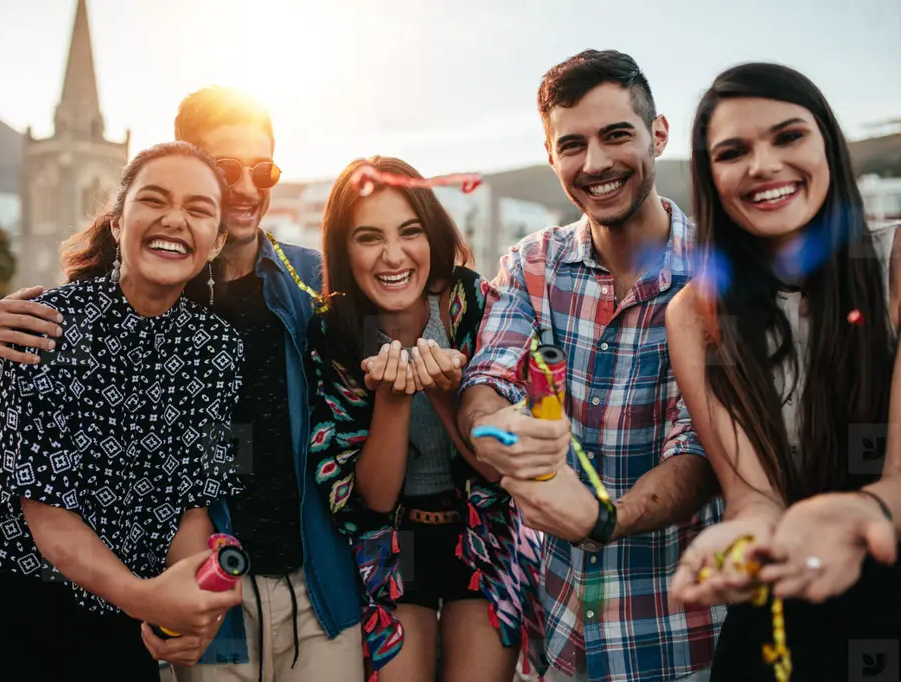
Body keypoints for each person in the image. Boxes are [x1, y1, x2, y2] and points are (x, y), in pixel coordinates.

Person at [0, 86, 364, 682]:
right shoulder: (116, 291)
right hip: (181, 582)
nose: (248, 188)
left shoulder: (315, 278)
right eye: (227, 170)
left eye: (264, 169)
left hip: (305, 577)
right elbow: (45, 451)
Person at [0, 141, 245, 682]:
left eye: (199, 209)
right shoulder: (43, 322)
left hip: (119, 620)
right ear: (118, 224)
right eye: (154, 200)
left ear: (215, 243)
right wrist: (147, 599)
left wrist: (191, 608)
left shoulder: (220, 349)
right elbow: (48, 511)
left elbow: (193, 505)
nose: (174, 219)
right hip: (0, 603)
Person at [457, 50, 723, 682]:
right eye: (572, 144)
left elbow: (706, 449)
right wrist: (502, 434)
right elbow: (484, 387)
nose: (595, 163)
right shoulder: (530, 265)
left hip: (681, 644)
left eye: (616, 135)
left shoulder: (719, 270)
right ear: (551, 155)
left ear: (658, 134)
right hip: (555, 638)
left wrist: (607, 517)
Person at [667, 62, 901, 682]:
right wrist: (738, 541)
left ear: (828, 142)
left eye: (788, 136)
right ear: (709, 177)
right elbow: (753, 496)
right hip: (780, 594)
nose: (762, 165)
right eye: (733, 151)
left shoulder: (896, 265)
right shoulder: (694, 314)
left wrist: (857, 514)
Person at [305, 155, 548, 682]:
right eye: (368, 237)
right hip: (397, 541)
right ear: (344, 249)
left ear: (431, 234)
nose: (393, 255)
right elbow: (373, 500)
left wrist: (448, 394)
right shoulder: (340, 330)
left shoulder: (469, 302)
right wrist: (391, 400)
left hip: (481, 534)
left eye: (409, 231)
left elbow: (497, 472)